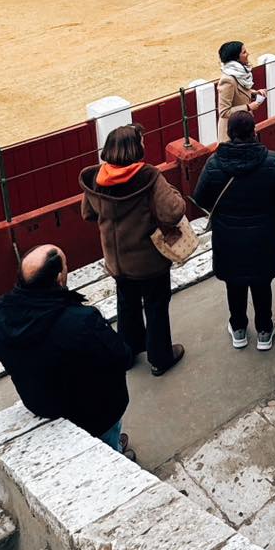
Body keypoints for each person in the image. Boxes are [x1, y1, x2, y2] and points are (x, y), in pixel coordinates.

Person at [0, 244, 135, 456]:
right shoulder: (82, 321)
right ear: (58, 278)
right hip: (95, 411)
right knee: (107, 443)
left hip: (42, 404)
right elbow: (122, 356)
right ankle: (115, 452)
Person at [79, 124, 186, 378]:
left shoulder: (97, 178)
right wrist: (173, 191)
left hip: (117, 261)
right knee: (156, 307)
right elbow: (173, 212)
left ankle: (128, 351)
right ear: (134, 148)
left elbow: (87, 214)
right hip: (149, 261)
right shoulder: (149, 177)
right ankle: (160, 358)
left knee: (127, 305)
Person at [193, 108, 275, 351]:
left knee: (234, 283)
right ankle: (264, 330)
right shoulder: (271, 161)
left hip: (228, 236)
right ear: (254, 132)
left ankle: (238, 328)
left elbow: (200, 198)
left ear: (229, 133)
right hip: (263, 235)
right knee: (261, 283)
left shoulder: (214, 163)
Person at [216, 40, 265, 142]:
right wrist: (248, 107)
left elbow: (239, 92)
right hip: (232, 136)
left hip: (244, 130)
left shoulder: (239, 73)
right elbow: (224, 112)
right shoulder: (227, 80)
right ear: (236, 58)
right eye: (244, 52)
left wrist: (254, 93)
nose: (248, 54)